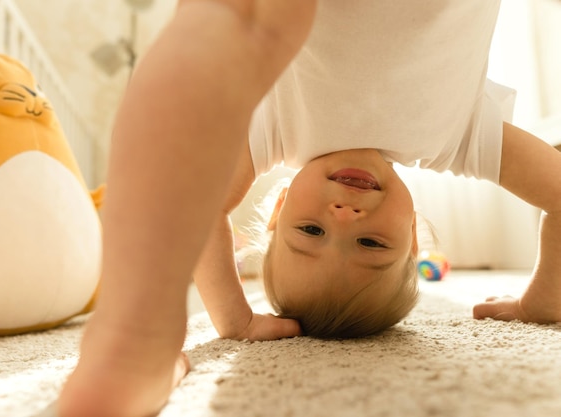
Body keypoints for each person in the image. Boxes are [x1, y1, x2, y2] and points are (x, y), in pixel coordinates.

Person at [57, 1, 561, 416]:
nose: (343, 216)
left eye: (309, 231)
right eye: (371, 244)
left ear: (277, 209)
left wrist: (235, 319)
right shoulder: (458, 137)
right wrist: (544, 300)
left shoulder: (279, 127)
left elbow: (203, 209)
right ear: (414, 233)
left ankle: (138, 335)